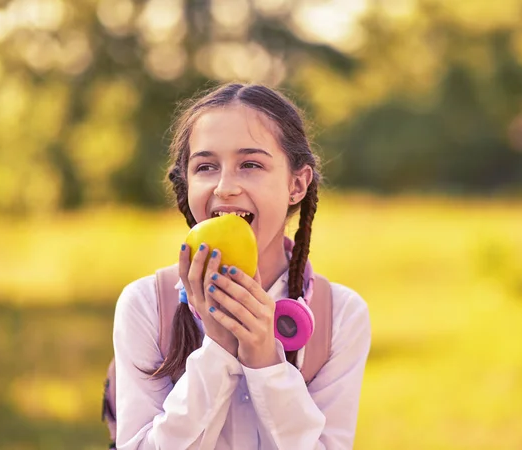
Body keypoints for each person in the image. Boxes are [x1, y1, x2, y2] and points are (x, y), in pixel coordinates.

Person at [112, 83, 372, 449]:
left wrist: (266, 363)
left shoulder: (341, 315)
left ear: (297, 184)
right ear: (186, 183)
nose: (225, 187)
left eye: (250, 164)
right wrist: (217, 348)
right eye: (205, 166)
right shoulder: (145, 305)